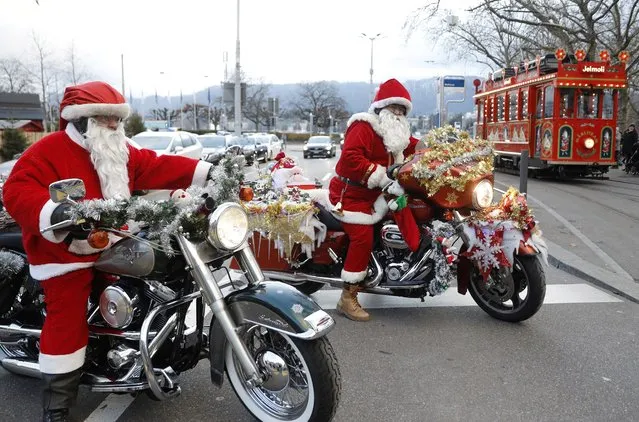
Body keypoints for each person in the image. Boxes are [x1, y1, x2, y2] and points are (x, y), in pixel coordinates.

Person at [1, 81, 214, 422]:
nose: (113, 126)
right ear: (82, 120)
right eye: (104, 119)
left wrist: (206, 172)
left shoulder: (120, 151)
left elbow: (157, 165)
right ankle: (56, 406)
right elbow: (17, 189)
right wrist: (55, 213)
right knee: (68, 314)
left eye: (116, 119)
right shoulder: (50, 150)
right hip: (66, 252)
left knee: (152, 286)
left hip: (113, 240)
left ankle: (134, 355)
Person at [327, 78, 419, 322]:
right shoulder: (363, 126)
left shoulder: (395, 135)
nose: (398, 113)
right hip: (350, 194)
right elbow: (351, 158)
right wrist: (381, 177)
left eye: (402, 110)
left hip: (376, 194)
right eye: (394, 108)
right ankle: (347, 298)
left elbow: (416, 149)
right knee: (362, 237)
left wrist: (440, 153)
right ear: (381, 107)